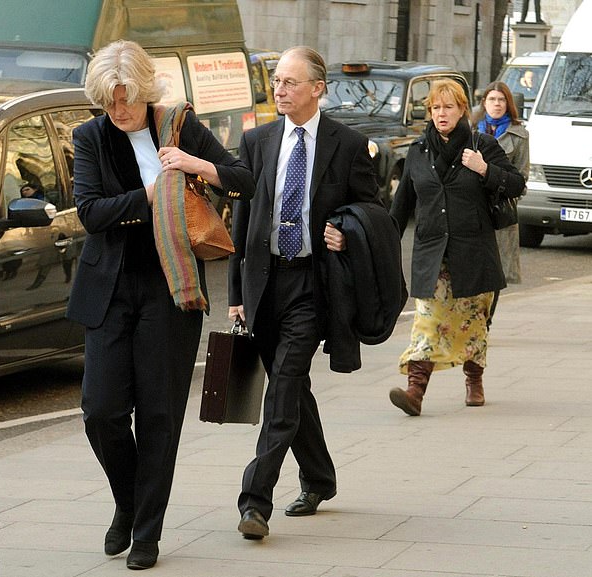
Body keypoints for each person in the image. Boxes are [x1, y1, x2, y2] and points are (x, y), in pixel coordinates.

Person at [66, 40, 254, 570]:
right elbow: (90, 213)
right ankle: (127, 504)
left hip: (172, 289)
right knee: (101, 411)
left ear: (145, 91)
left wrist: (196, 162)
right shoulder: (90, 137)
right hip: (110, 288)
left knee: (159, 414)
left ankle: (146, 531)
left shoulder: (178, 125)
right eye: (108, 102)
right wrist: (148, 197)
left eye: (125, 99)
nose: (118, 111)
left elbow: (242, 178)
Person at [228, 46, 382, 540]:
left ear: (318, 88)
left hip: (314, 284)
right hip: (265, 282)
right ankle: (320, 477)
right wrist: (236, 292)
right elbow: (243, 224)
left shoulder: (349, 145)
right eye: (276, 81)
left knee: (285, 383)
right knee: (292, 388)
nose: (280, 90)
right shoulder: (257, 141)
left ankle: (255, 501)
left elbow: (374, 214)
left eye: (291, 82)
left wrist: (345, 230)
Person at [388, 79, 525, 416]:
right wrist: (377, 242)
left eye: (448, 107)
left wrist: (485, 169)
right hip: (431, 252)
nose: (441, 113)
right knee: (427, 319)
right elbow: (401, 206)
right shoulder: (418, 152)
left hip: (474, 251)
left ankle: (473, 380)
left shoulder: (483, 144)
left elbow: (517, 184)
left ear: (463, 109)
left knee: (473, 321)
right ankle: (415, 391)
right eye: (435, 107)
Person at [474, 81, 529, 286]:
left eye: (501, 100)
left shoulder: (519, 135)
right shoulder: (471, 130)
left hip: (499, 211)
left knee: (497, 276)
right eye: (492, 99)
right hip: (471, 208)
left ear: (508, 104)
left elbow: (522, 177)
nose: (497, 104)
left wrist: (502, 192)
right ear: (484, 103)